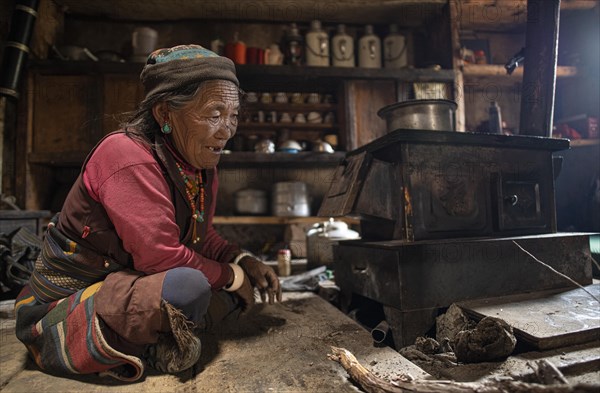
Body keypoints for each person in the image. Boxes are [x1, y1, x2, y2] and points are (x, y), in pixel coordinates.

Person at [14, 44, 282, 381]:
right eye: (214, 114)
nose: (227, 130)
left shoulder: (199, 166)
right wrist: (233, 278)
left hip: (131, 285)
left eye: (234, 115)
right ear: (165, 113)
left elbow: (200, 235)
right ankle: (148, 340)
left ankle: (164, 334)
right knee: (189, 287)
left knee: (211, 290)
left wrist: (242, 259)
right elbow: (162, 258)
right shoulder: (126, 154)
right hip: (70, 302)